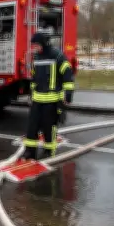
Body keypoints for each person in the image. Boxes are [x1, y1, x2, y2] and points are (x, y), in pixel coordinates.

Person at [22, 32, 75, 161]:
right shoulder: (37, 57)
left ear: (43, 44)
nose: (34, 48)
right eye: (33, 45)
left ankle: (48, 151)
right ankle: (30, 152)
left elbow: (68, 76)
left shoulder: (57, 56)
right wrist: (31, 93)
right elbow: (35, 77)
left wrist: (68, 95)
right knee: (31, 127)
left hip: (52, 101)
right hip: (37, 100)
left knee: (49, 128)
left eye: (36, 45)